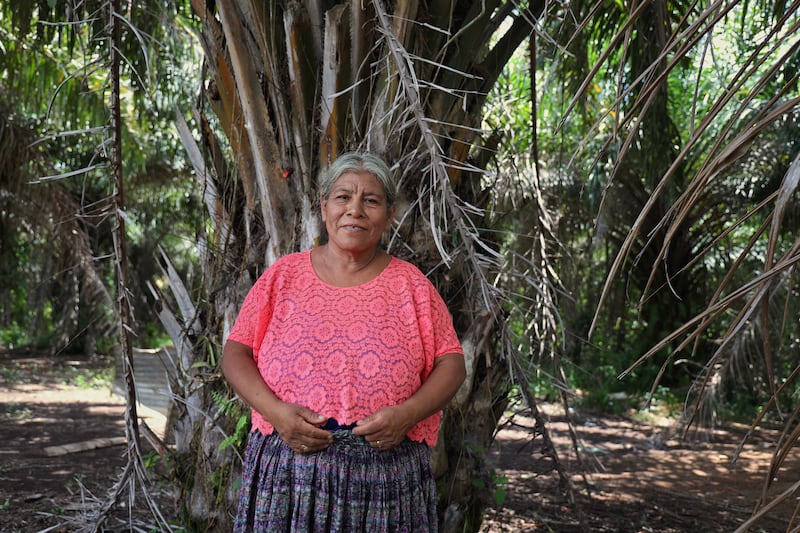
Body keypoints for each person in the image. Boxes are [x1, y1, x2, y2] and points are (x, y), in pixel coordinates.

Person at [221, 151, 466, 532]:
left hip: (386, 480)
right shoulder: (284, 276)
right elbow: (236, 352)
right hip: (289, 476)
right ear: (324, 207)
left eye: (371, 201)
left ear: (389, 215)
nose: (355, 210)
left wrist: (407, 415)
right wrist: (276, 413)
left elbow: (451, 362)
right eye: (343, 197)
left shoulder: (412, 286)